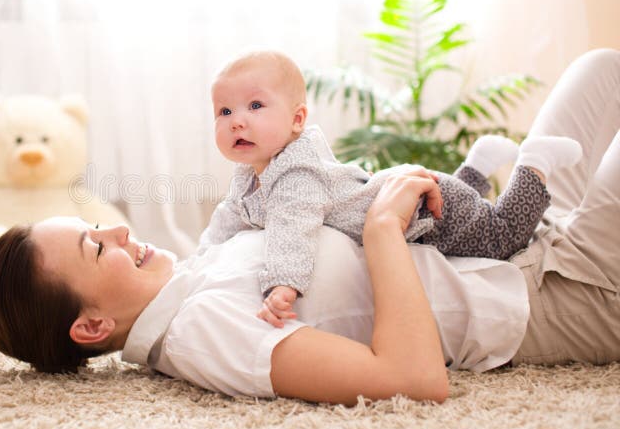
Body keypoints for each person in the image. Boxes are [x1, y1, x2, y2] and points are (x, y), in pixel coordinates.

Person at [0, 48, 620, 405]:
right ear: (90, 327)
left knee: (601, 68)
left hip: (520, 238)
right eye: (95, 247)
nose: (116, 233)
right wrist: (382, 231)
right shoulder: (206, 335)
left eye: (98, 227)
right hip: (558, 292)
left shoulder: (200, 268)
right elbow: (412, 380)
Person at [200, 51, 582, 327]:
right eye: (225, 112)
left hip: (424, 212)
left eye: (254, 105)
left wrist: (283, 285)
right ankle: (477, 166)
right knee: (470, 219)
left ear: (297, 119)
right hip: (416, 195)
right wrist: (200, 259)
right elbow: (227, 218)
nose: (237, 122)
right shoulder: (251, 174)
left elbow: (293, 228)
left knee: (503, 237)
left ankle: (534, 162)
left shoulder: (296, 174)